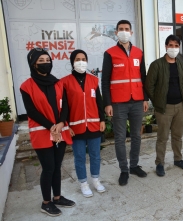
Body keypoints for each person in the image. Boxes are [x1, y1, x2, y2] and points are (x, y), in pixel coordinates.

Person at [20, 48, 75, 217]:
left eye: (47, 60)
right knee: (48, 168)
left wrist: (60, 123)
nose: (45, 64)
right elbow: (31, 111)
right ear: (33, 64)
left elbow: (65, 105)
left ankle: (57, 197)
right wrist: (51, 125)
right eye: (41, 61)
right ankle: (46, 202)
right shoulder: (26, 86)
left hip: (60, 130)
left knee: (57, 167)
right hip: (43, 132)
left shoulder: (58, 82)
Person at [101, 20, 149, 186]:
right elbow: (105, 80)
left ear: (131, 32)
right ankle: (124, 169)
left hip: (136, 100)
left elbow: (143, 77)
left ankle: (134, 165)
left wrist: (145, 98)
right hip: (118, 103)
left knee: (136, 135)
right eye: (121, 29)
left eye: (126, 29)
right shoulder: (110, 53)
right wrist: (107, 103)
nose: (124, 32)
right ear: (116, 33)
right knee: (120, 138)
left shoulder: (138, 53)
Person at [61, 49, 106, 197]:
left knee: (95, 155)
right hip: (76, 127)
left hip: (94, 125)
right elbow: (64, 107)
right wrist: (66, 126)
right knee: (79, 157)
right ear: (72, 62)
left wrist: (103, 120)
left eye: (83, 59)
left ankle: (95, 180)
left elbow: (99, 102)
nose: (81, 61)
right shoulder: (65, 82)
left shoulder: (93, 80)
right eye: (77, 59)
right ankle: (83, 183)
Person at [145, 35, 183, 176]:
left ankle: (178, 159)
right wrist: (157, 101)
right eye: (171, 45)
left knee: (178, 136)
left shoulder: (181, 64)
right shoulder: (156, 64)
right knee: (162, 137)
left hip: (179, 106)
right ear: (165, 46)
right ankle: (160, 163)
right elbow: (149, 86)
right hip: (164, 107)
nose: (173, 48)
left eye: (176, 46)